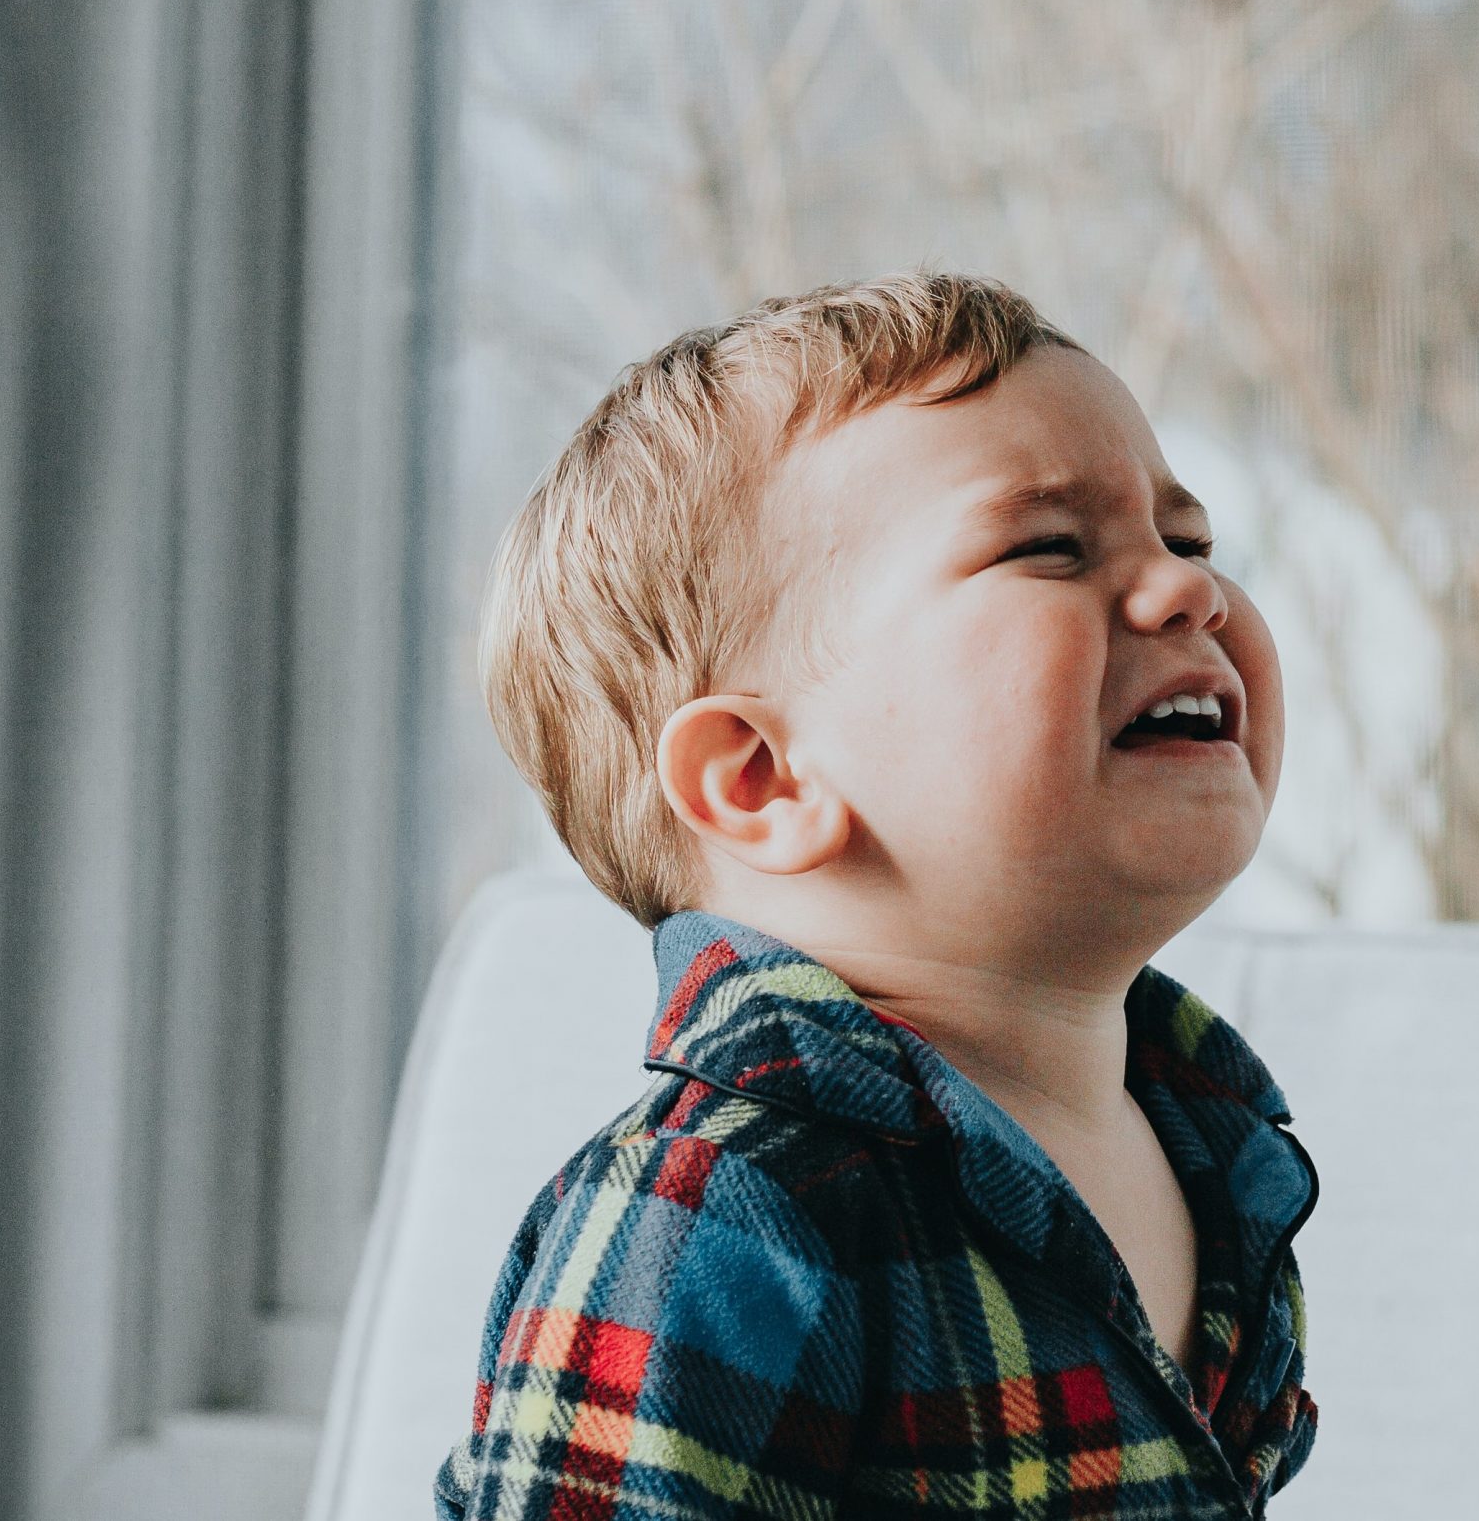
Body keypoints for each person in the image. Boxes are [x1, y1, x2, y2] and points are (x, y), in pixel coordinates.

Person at [438, 273, 1321, 1519]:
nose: (1190, 592)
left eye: (1189, 542)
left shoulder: (1215, 1156)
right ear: (763, 777)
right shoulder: (714, 1203)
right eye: (1050, 548)